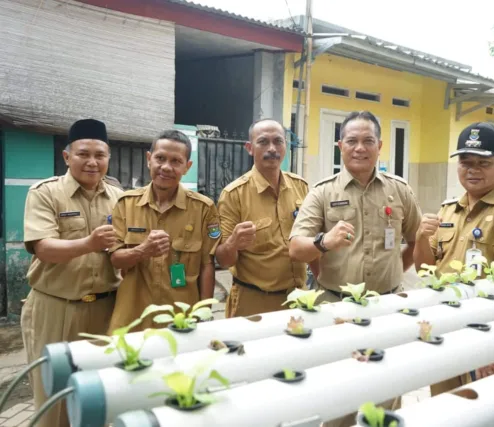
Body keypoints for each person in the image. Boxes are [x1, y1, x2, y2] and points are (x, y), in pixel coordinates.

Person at [289, 111, 422, 427]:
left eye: (368, 141)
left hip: (388, 307)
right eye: (352, 141)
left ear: (380, 146)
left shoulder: (399, 190)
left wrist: (395, 274)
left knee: (387, 394)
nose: (360, 148)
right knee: (338, 395)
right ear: (340, 146)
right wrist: (324, 242)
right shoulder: (322, 192)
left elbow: (416, 239)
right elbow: (296, 247)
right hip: (337, 309)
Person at [414, 121, 494, 396]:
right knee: (446, 408)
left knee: (488, 412)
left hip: (488, 335)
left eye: (483, 162)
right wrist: (421, 237)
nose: (472, 169)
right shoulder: (449, 211)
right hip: (448, 329)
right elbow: (424, 270)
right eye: (465, 162)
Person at [21, 118, 122, 427]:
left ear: (108, 158)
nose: (92, 162)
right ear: (67, 156)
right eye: (83, 154)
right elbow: (43, 247)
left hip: (107, 307)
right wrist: (89, 243)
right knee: (54, 398)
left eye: (99, 155)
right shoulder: (45, 193)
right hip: (56, 308)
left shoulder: (120, 198)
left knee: (101, 394)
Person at [107, 130, 221, 333]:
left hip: (182, 319)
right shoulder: (126, 204)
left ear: (187, 167)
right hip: (133, 318)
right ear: (149, 159)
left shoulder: (203, 208)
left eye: (176, 161)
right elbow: (116, 259)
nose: (166, 167)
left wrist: (204, 314)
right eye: (160, 158)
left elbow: (206, 265)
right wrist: (143, 250)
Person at [215, 119, 312, 317]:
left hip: (298, 300)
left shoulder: (301, 187)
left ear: (286, 145)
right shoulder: (234, 195)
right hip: (254, 304)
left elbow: (311, 241)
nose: (272, 148)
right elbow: (223, 260)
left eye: (278, 141)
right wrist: (233, 243)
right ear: (250, 148)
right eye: (263, 142)